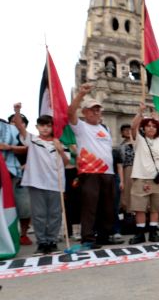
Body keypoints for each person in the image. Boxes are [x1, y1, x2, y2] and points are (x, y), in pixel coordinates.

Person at [66, 85, 123, 248]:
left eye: (98, 110)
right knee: (89, 207)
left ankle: (104, 235)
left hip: (108, 173)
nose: (96, 112)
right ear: (84, 112)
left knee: (107, 207)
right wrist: (81, 94)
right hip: (89, 172)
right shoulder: (80, 127)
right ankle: (88, 238)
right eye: (92, 110)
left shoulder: (104, 129)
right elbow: (70, 112)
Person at [12, 104, 68, 254]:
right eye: (42, 125)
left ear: (52, 127)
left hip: (56, 183)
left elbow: (68, 162)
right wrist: (17, 111)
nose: (45, 128)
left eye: (48, 126)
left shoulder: (59, 142)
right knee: (39, 215)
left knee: (55, 214)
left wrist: (60, 150)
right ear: (37, 127)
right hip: (37, 183)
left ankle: (52, 241)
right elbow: (19, 126)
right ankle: (42, 242)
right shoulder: (32, 140)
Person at [128, 103, 159, 244]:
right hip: (141, 178)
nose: (151, 128)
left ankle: (153, 232)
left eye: (154, 126)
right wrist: (140, 111)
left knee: (156, 206)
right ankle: (140, 233)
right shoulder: (139, 140)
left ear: (157, 129)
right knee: (139, 207)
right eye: (148, 125)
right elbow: (133, 127)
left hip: (158, 178)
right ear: (144, 127)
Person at [0, 115, 31, 245]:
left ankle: (23, 235)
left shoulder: (12, 131)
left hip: (14, 175)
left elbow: (27, 149)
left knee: (24, 207)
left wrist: (9, 147)